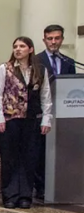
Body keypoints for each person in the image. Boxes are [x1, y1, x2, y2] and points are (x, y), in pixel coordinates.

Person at [0, 37, 52, 209]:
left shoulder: (39, 70)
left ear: (30, 49)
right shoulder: (5, 68)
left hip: (32, 119)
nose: (18, 49)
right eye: (15, 46)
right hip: (10, 119)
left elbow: (45, 95)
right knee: (9, 158)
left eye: (22, 46)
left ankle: (25, 195)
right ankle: (9, 195)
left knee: (29, 158)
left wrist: (47, 117)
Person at [34, 24, 74, 200]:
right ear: (44, 40)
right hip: (41, 112)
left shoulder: (68, 62)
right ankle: (41, 187)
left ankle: (61, 184)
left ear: (62, 40)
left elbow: (72, 86)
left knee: (60, 151)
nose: (53, 42)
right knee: (41, 152)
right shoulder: (36, 60)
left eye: (57, 38)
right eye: (50, 38)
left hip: (63, 113)